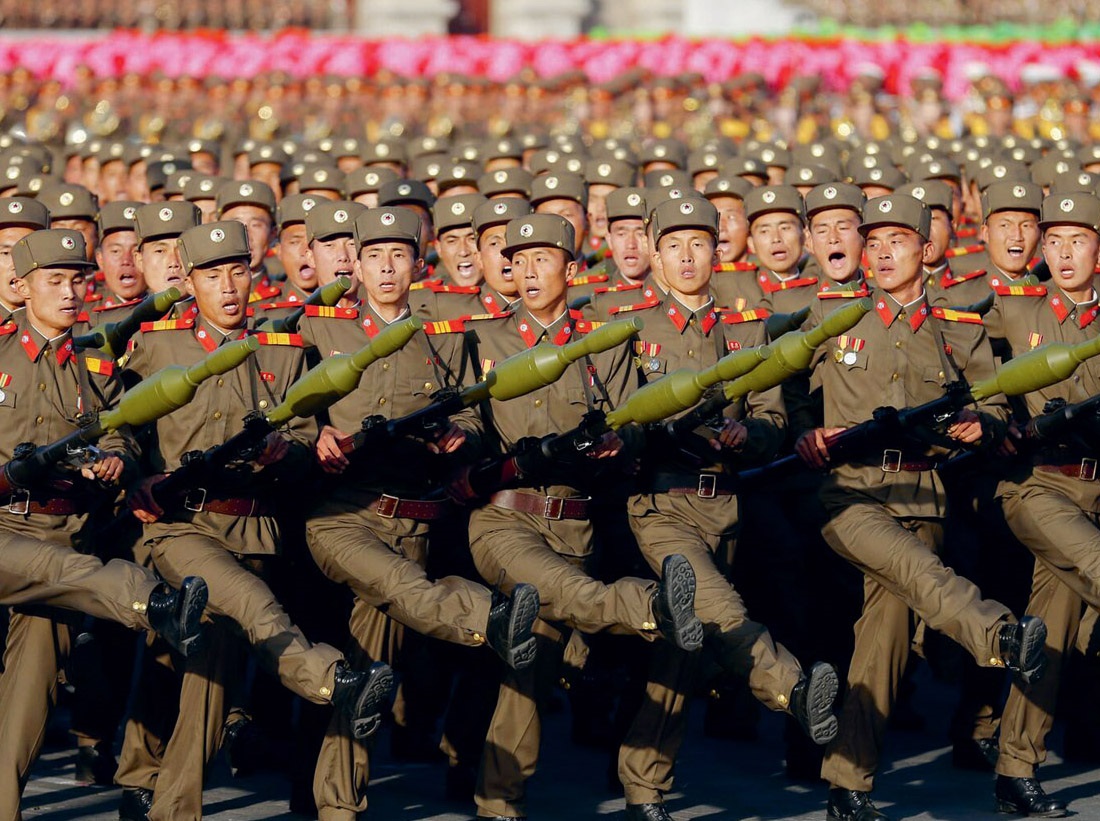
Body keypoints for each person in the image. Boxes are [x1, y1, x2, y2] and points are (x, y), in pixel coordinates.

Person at [121, 220, 394, 821]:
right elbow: (122, 432)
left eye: (237, 271)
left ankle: (172, 806)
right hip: (182, 528)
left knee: (210, 679)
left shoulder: (282, 351)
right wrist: (134, 475)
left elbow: (303, 441)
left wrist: (287, 452)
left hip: (255, 531)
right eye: (212, 275)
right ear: (190, 283)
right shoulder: (156, 348)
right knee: (246, 605)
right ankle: (330, 679)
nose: (228, 286)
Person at [795, 194, 1048, 821]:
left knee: (882, 642)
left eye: (895, 241)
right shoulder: (832, 319)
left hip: (924, 496)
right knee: (918, 573)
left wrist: (976, 424)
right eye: (871, 242)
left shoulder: (958, 330)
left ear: (925, 250)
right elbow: (790, 395)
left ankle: (847, 785)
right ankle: (999, 634)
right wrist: (800, 433)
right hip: (851, 494)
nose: (880, 253)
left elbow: (993, 402)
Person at [461, 212, 703, 820]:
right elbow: (464, 427)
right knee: (552, 609)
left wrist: (623, 445)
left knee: (534, 658)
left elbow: (634, 420)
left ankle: (500, 795)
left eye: (545, 259)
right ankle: (653, 606)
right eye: (520, 261)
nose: (530, 271)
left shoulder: (605, 344)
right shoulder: (480, 340)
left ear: (571, 270)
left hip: (578, 523)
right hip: (506, 519)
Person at [301, 203, 540, 820]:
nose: (386, 268)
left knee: (370, 665)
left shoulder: (440, 339)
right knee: (387, 621)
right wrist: (316, 434)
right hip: (348, 513)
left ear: (417, 262)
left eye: (398, 255)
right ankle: (494, 618)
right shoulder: (319, 330)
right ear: (354, 262)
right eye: (374, 256)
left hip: (415, 521)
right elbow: (286, 407)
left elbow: (469, 413)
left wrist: (459, 437)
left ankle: (339, 800)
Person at [616, 197, 840, 821]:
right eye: (674, 246)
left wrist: (753, 436)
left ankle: (644, 785)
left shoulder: (747, 330)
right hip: (661, 504)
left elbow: (772, 416)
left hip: (730, 505)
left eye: (699, 245)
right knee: (714, 605)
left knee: (682, 646)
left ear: (719, 252)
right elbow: (612, 423)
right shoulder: (632, 328)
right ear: (655, 255)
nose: (687, 258)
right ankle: (794, 690)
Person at [0, 228, 207, 818]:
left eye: (75, 282)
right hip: (4, 527)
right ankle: (153, 603)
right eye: (53, 282)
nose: (68, 294)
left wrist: (118, 456)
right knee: (64, 569)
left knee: (31, 692)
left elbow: (121, 427)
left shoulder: (94, 361)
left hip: (62, 528)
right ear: (23, 286)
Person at [983, 191, 1100, 818]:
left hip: (1097, 488)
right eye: (1051, 241)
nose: (1060, 253)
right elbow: (967, 375)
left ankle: (1014, 769)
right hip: (1040, 487)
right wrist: (997, 419)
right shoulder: (1010, 310)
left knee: (1048, 634)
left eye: (1076, 240)